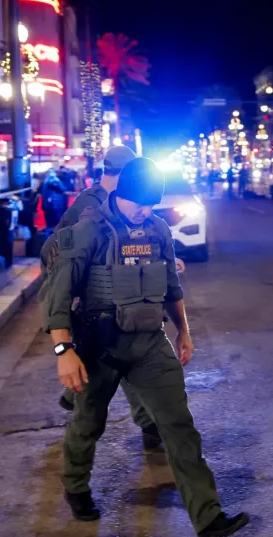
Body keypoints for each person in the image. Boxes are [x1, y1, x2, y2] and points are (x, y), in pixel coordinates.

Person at [41, 157, 249, 537]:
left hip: (150, 343)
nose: (145, 211)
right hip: (97, 344)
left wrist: (183, 332)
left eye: (151, 204)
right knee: (88, 423)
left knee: (179, 427)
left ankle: (208, 517)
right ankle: (76, 486)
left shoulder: (157, 230)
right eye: (139, 203)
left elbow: (171, 287)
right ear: (119, 194)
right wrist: (63, 350)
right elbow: (56, 296)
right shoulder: (88, 231)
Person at [40, 145, 164, 450]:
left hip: (112, 293)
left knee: (122, 351)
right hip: (86, 294)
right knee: (114, 355)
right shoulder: (91, 203)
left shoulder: (114, 200)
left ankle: (147, 424)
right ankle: (142, 423)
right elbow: (67, 255)